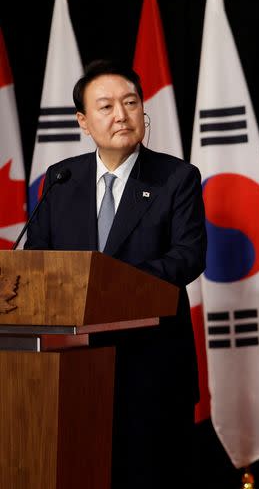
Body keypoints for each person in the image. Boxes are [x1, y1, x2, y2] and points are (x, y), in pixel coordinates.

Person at [24, 59, 206, 488]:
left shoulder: (175, 177)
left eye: (130, 102)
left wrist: (105, 280)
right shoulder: (62, 178)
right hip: (72, 370)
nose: (121, 115)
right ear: (83, 121)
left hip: (152, 365)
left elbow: (188, 257)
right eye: (105, 107)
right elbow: (38, 257)